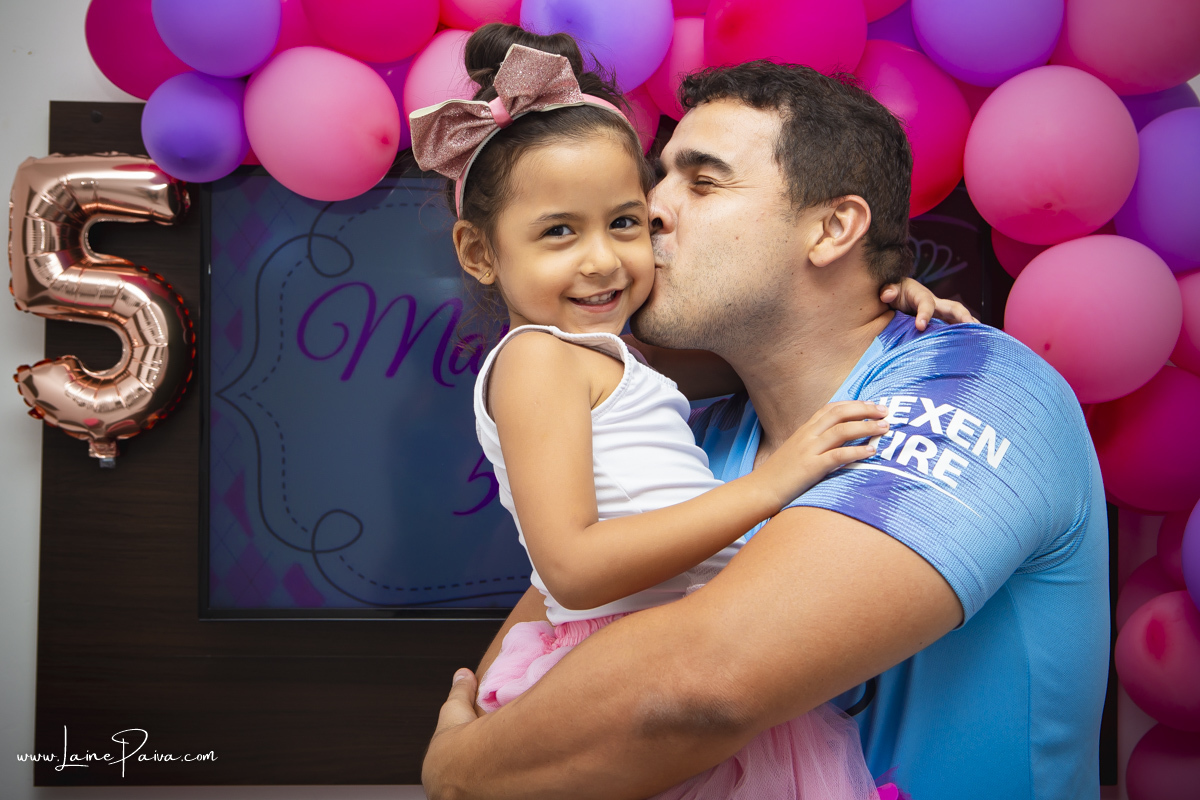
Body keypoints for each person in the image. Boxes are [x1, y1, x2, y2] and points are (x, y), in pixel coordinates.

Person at [419, 52, 1111, 800]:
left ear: (833, 228)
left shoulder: (979, 387)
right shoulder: (699, 426)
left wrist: (458, 771)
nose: (652, 209)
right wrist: (485, 752)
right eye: (657, 180)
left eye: (702, 181)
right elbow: (554, 626)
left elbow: (697, 687)